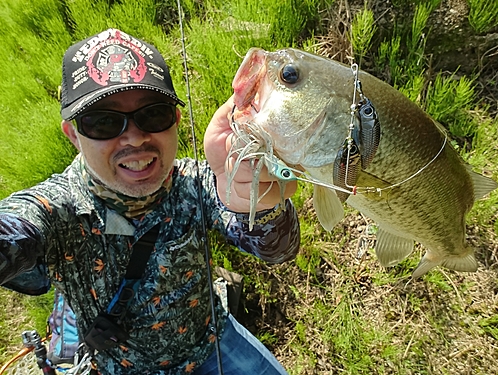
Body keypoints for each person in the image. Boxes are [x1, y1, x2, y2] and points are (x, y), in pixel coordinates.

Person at [0, 28, 300, 374]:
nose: (135, 137)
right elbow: (16, 229)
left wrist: (260, 205)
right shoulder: (59, 209)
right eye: (103, 122)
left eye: (153, 113)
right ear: (74, 136)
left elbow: (279, 250)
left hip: (212, 345)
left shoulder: (198, 183)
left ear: (175, 120)